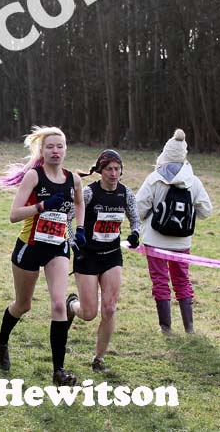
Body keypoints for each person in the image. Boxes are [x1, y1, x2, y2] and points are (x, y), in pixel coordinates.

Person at [0, 126, 85, 387]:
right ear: (42, 151)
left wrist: (81, 230)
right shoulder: (34, 176)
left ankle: (59, 372)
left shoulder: (73, 179)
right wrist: (42, 206)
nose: (55, 151)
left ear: (66, 150)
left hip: (57, 247)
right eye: (50, 147)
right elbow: (14, 215)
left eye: (60, 146)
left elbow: (79, 203)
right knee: (23, 305)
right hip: (29, 247)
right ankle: (2, 340)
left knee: (58, 305)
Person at [65, 150, 141, 373]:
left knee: (109, 309)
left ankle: (99, 358)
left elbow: (135, 219)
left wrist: (135, 234)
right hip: (87, 256)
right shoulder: (89, 193)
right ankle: (72, 305)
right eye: (109, 169)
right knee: (89, 313)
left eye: (117, 169)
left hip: (111, 256)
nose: (114, 173)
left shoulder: (126, 194)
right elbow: (67, 218)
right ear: (100, 170)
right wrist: (73, 241)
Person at [135, 129, 213, 334]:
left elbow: (138, 207)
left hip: (154, 241)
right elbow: (206, 211)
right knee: (182, 280)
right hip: (182, 242)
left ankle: (166, 329)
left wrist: (148, 217)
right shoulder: (193, 181)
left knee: (160, 281)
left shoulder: (154, 178)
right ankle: (189, 328)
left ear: (164, 154)